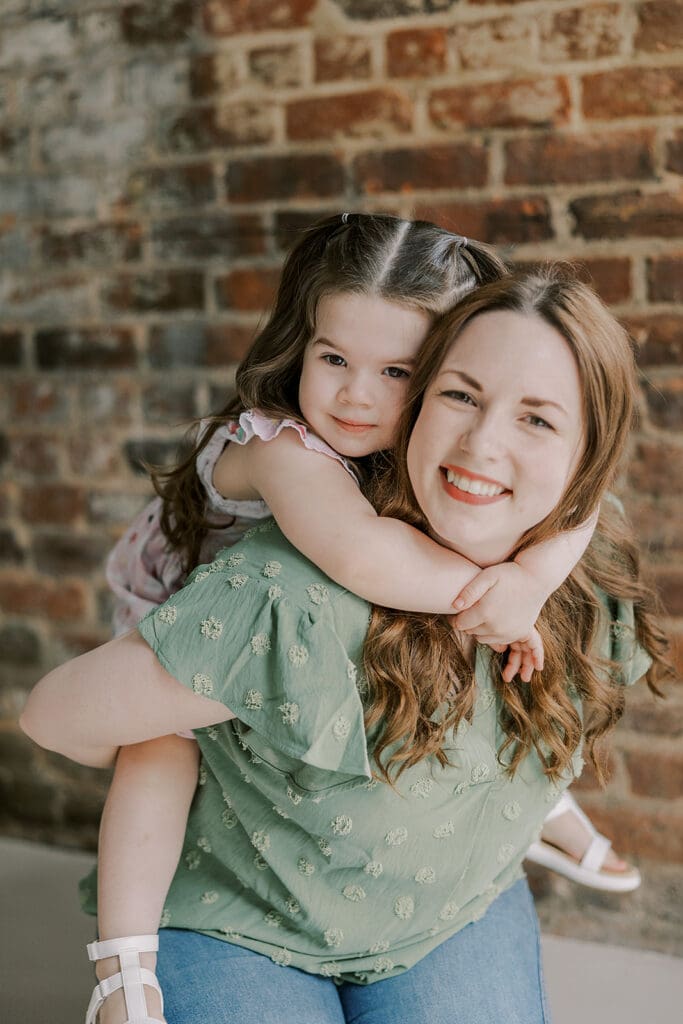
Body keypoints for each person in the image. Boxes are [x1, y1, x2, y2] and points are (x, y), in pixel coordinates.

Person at [21, 267, 668, 1024]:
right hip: (247, 917)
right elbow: (53, 717)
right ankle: (123, 976)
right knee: (159, 748)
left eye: (537, 419)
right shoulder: (287, 591)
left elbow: (582, 507)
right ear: (420, 404)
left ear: (584, 454)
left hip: (451, 907)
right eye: (460, 394)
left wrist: (529, 578)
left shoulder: (575, 556)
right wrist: (196, 708)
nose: (483, 444)